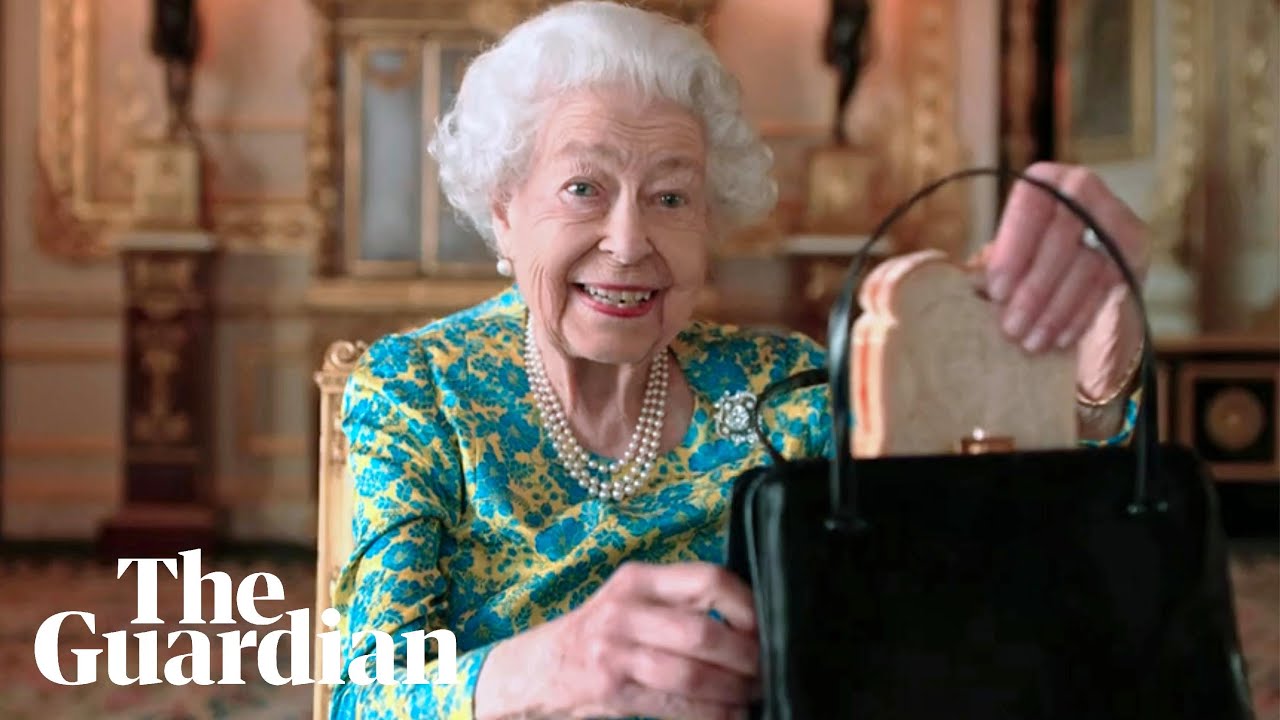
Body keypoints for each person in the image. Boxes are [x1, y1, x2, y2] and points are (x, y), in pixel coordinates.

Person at [328, 2, 1150, 718]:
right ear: (505, 213)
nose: (628, 242)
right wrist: (556, 667)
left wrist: (1086, 382)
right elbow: (362, 695)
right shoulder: (420, 390)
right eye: (584, 189)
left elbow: (999, 549)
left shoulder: (782, 389)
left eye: (672, 197)